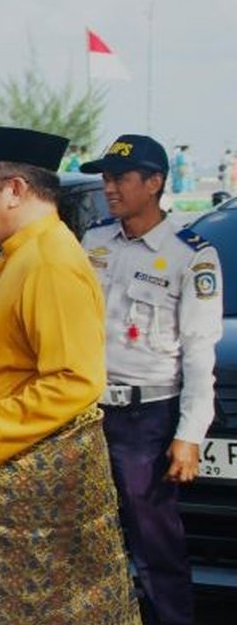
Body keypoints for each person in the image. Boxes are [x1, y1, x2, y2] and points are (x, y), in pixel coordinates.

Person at [0, 126, 139, 624]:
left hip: (28, 479)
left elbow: (75, 379)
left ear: (15, 189)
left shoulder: (50, 262)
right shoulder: (17, 255)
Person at [79, 135, 221, 625]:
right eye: (106, 178)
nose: (109, 187)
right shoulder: (94, 240)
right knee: (90, 544)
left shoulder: (190, 255)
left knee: (155, 549)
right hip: (89, 413)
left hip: (148, 419)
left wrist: (188, 435)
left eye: (120, 178)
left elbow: (200, 353)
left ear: (155, 183)